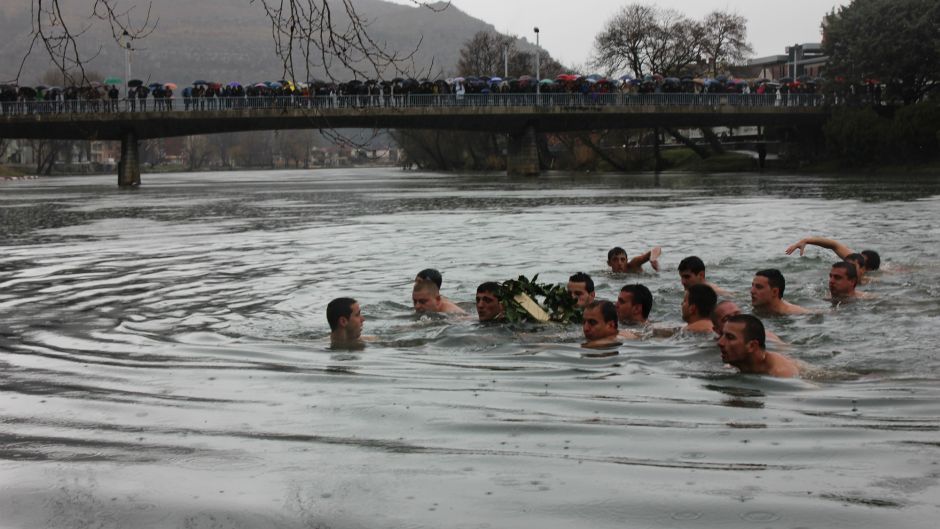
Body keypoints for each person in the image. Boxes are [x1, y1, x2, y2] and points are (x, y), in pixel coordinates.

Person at [717, 314, 800, 378]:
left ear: (752, 346)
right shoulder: (732, 366)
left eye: (730, 337)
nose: (720, 343)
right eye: (722, 335)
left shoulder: (781, 374)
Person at [786, 236, 881, 273]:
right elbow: (833, 245)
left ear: (866, 269)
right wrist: (806, 240)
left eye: (861, 261)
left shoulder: (869, 279)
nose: (857, 259)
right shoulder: (853, 258)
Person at [711, 300, 784, 344]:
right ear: (717, 330)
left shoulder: (765, 336)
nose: (736, 320)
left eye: (738, 314)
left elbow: (784, 350)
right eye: (727, 319)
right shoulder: (713, 346)